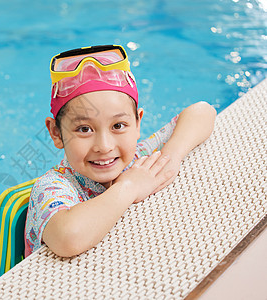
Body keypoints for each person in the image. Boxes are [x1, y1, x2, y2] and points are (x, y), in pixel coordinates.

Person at [24, 45, 216, 258]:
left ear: (137, 123)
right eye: (84, 129)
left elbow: (203, 112)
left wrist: (169, 158)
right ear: (56, 133)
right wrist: (129, 186)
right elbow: (69, 238)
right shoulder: (53, 187)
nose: (104, 146)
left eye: (118, 126)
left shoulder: (137, 157)